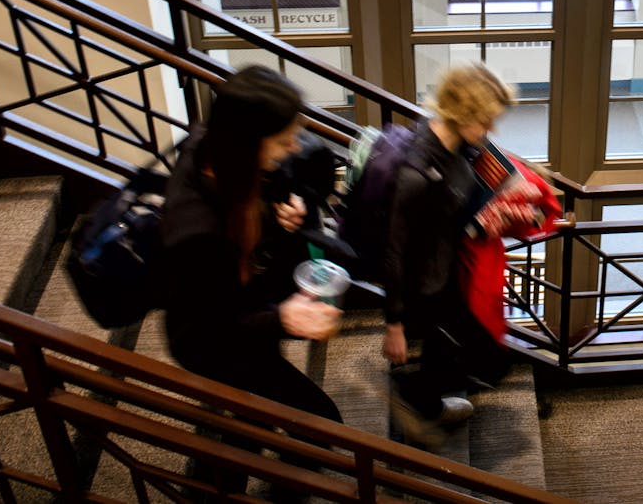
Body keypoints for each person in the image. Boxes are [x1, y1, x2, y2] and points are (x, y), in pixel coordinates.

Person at [161, 65, 342, 495]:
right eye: (282, 141)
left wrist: (283, 212)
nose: (295, 147)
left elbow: (259, 192)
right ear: (248, 142)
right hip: (212, 341)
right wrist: (284, 319)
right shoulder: (194, 229)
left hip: (243, 310)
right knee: (319, 426)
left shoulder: (212, 146)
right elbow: (212, 324)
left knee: (247, 418)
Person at [381, 62, 517, 450]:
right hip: (425, 286)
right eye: (486, 121)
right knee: (463, 349)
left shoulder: (458, 143)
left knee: (473, 352)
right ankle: (415, 403)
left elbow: (476, 181)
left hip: (449, 268)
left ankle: (425, 396)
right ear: (461, 114)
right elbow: (393, 252)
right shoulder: (416, 173)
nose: (491, 130)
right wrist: (394, 324)